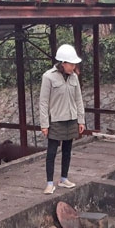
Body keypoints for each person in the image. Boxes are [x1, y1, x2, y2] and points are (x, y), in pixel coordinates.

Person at [39, 44, 86, 194]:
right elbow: (43, 102)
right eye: (71, 64)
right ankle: (49, 183)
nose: (73, 67)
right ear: (63, 63)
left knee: (67, 150)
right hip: (56, 120)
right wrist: (44, 124)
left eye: (74, 64)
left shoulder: (74, 77)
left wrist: (81, 120)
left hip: (71, 119)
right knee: (51, 152)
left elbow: (79, 99)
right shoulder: (48, 77)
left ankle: (64, 179)